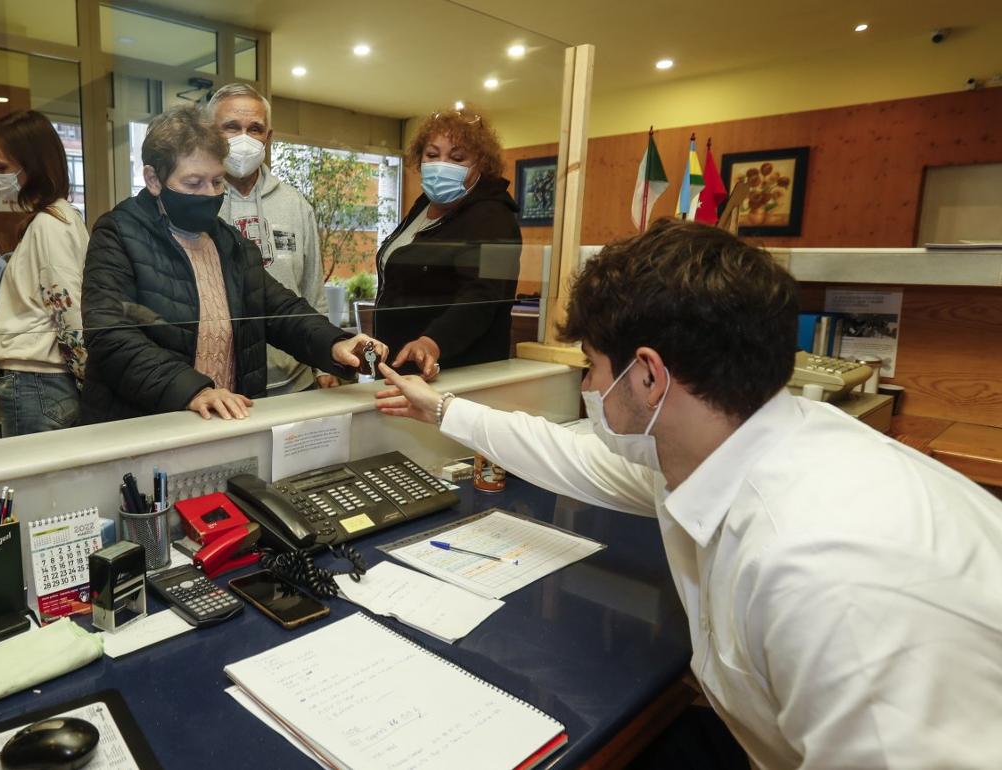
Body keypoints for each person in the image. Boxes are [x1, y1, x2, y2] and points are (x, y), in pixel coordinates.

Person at [374, 219, 1002, 770]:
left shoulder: (827, 576)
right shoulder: (735, 448)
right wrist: (443, 410)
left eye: (590, 365)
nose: (588, 386)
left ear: (647, 375)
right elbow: (570, 457)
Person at [81, 104, 385, 423]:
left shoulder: (228, 242)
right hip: (145, 427)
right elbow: (111, 336)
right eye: (194, 183)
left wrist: (336, 343)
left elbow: (279, 310)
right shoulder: (118, 232)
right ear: (153, 179)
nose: (209, 194)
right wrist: (192, 390)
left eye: (216, 181)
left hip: (223, 422)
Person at [206, 83, 339, 395]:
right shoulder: (198, 203)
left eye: (255, 128)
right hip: (221, 387)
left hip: (295, 382)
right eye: (231, 127)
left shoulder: (295, 205)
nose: (243, 138)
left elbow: (312, 290)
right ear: (209, 134)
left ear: (268, 137)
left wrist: (323, 363)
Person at [373, 107, 521, 381]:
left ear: (481, 164)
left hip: (454, 373)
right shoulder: (423, 206)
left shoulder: (495, 216)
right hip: (401, 368)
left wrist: (432, 342)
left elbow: (485, 296)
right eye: (432, 155)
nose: (442, 165)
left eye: (457, 157)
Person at [0, 110, 88, 437]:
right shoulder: (57, 218)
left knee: (40, 487)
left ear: (33, 165)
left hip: (39, 380)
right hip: (42, 379)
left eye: (2, 167)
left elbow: (67, 309)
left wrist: (87, 378)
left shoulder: (49, 225)